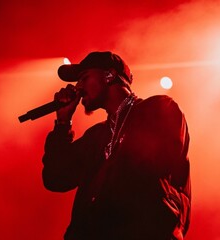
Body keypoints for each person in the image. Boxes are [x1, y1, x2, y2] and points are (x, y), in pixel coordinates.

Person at [42, 51, 191, 239]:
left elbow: (149, 167)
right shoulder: (96, 136)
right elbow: (56, 177)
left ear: (109, 75)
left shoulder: (159, 108)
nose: (78, 87)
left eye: (84, 78)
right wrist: (62, 124)